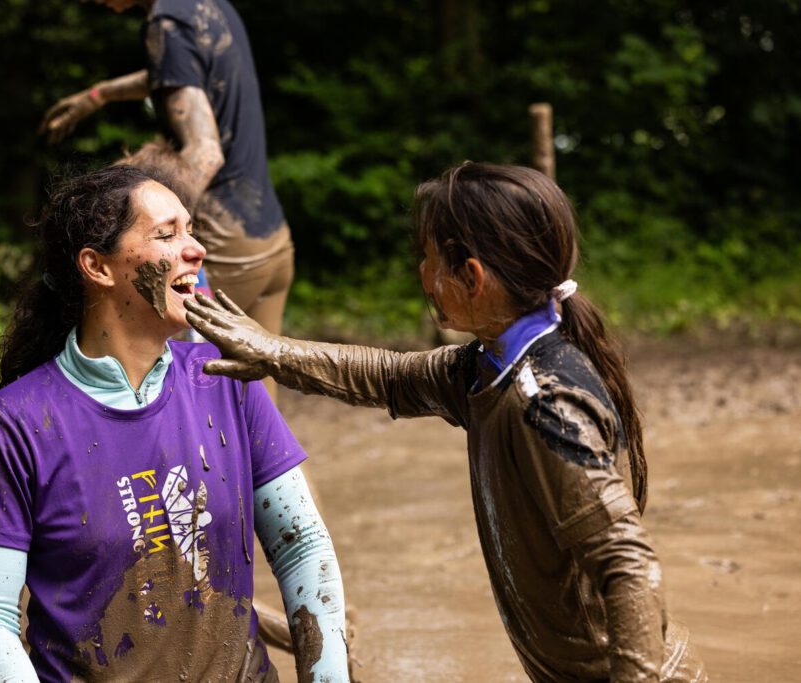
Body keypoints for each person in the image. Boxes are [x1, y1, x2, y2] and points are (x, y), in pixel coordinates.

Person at [186, 162, 709, 682]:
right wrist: (273, 352)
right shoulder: (488, 365)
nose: (422, 274)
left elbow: (630, 565)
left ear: (473, 277)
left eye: (430, 258)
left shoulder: (545, 405)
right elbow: (388, 376)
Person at [0, 164, 349, 682]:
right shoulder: (16, 423)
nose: (196, 248)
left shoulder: (225, 377)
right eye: (167, 234)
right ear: (97, 267)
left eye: (191, 229)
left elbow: (303, 549)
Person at [40, 0, 294, 401]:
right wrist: (99, 94)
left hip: (222, 253)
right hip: (271, 243)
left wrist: (142, 219)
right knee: (262, 424)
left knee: (194, 413)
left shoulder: (167, 23)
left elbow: (206, 153)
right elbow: (178, 72)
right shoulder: (205, 7)